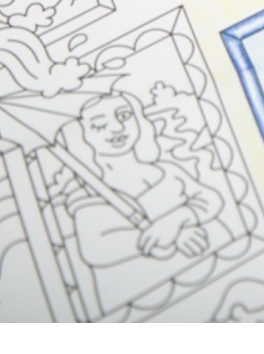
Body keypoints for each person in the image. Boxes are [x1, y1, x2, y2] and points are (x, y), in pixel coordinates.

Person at [60, 92, 228, 316]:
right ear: (83, 136)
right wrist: (163, 236)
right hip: (148, 297)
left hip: (214, 271)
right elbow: (96, 248)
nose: (117, 128)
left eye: (124, 116)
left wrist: (177, 219)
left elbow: (210, 198)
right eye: (99, 125)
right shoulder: (90, 192)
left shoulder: (165, 170)